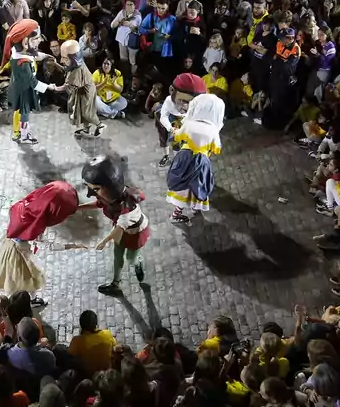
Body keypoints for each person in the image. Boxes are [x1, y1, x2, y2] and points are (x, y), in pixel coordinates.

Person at [84, 155, 151, 296]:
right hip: (120, 230)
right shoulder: (110, 196)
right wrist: (77, 208)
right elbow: (99, 204)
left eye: (95, 189)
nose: (91, 194)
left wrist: (104, 241)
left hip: (134, 233)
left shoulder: (127, 208)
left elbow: (120, 228)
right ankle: (115, 283)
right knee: (117, 256)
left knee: (131, 258)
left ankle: (138, 264)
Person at [166, 93, 224, 225]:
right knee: (197, 186)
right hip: (201, 161)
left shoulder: (190, 124)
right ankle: (194, 207)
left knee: (182, 188)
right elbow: (216, 149)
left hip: (184, 158)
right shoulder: (213, 130)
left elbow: (178, 137)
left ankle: (176, 214)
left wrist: (175, 132)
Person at [2, 18, 53, 144]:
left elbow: (34, 55)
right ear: (25, 42)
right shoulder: (23, 64)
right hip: (24, 91)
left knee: (19, 111)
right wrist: (50, 88)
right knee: (24, 114)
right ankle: (24, 136)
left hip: (18, 87)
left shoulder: (18, 51)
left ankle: (17, 133)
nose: (40, 40)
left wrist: (46, 56)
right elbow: (34, 83)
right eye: (36, 39)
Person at [59, 39, 103, 137]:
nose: (61, 61)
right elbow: (66, 70)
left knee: (87, 113)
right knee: (83, 111)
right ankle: (86, 129)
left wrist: (53, 88)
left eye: (64, 58)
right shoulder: (75, 65)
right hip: (83, 90)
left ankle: (100, 126)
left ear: (73, 58)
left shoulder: (77, 71)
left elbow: (68, 87)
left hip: (87, 92)